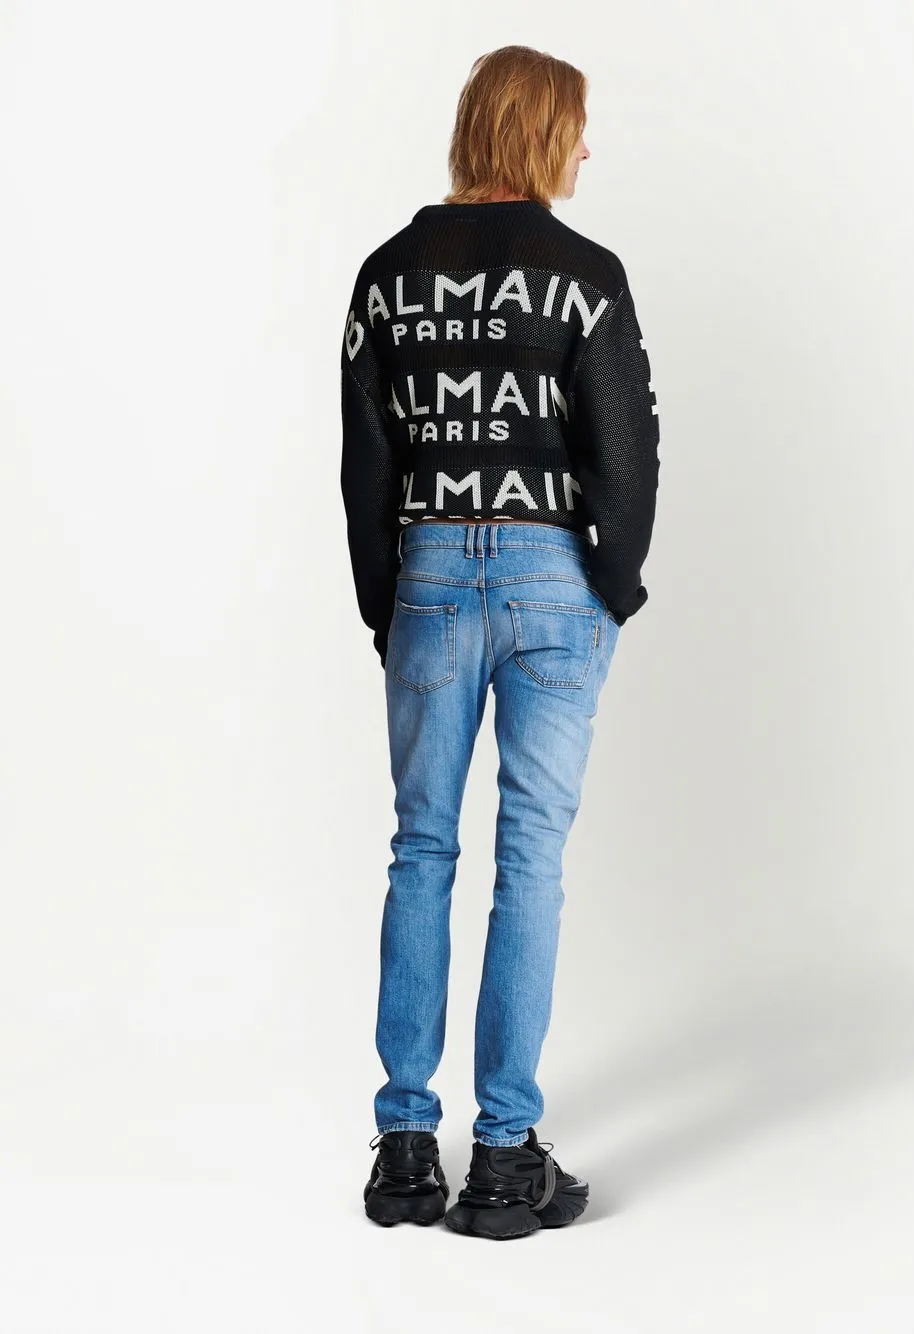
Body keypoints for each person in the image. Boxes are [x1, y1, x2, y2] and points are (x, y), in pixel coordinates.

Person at [341, 44, 660, 1239]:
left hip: (427, 568)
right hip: (549, 577)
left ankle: (405, 1148)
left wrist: (387, 600)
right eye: (575, 126)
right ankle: (506, 1156)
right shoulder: (584, 276)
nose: (587, 148)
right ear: (536, 133)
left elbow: (365, 463)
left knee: (421, 846)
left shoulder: (388, 275)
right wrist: (611, 586)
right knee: (529, 859)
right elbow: (625, 448)